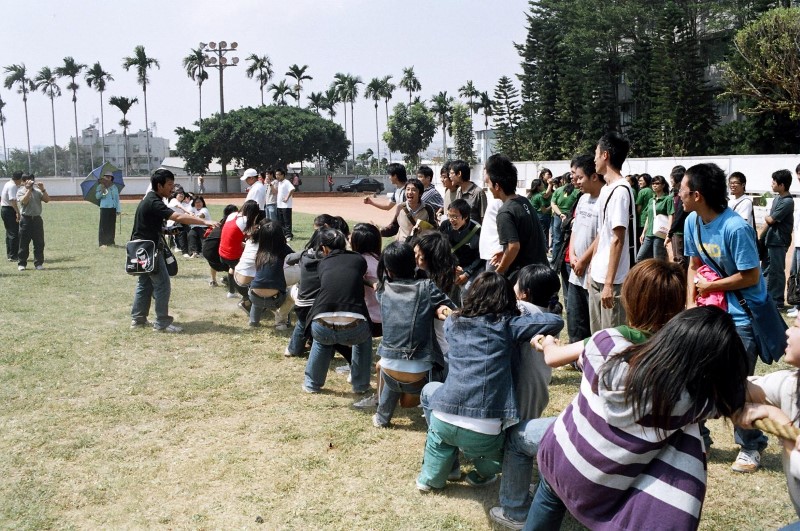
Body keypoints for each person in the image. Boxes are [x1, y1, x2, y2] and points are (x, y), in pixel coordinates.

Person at [489, 258, 685, 529]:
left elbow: (554, 357)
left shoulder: (608, 340)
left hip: (589, 453)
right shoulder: (681, 353)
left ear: (631, 298)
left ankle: (516, 510)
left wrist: (545, 342)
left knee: (521, 440)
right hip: (637, 457)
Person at [525, 305, 748, 531]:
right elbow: (737, 393)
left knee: (536, 468)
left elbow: (558, 356)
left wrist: (548, 343)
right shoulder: (687, 404)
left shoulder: (604, 345)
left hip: (557, 459)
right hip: (597, 493)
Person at [416, 272, 563, 492]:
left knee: (430, 391)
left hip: (443, 417)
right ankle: (484, 472)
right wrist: (518, 312)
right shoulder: (508, 325)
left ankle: (431, 479)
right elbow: (555, 321)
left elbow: (459, 317)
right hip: (485, 429)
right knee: (492, 455)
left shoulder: (453, 322)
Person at [682, 162, 771, 472]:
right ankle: (700, 439)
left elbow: (751, 276)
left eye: (682, 190)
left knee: (737, 384)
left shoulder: (736, 227)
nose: (679, 195)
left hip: (741, 318)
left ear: (697, 195)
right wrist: (691, 303)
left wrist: (711, 286)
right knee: (696, 377)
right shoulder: (692, 221)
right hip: (707, 314)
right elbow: (693, 265)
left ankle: (751, 445)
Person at [488, 264, 564, 529]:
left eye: (516, 284)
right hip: (538, 388)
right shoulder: (550, 314)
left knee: (515, 440)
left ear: (524, 293)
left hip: (522, 388)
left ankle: (514, 502)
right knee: (526, 434)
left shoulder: (522, 310)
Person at [370, 241, 456, 428]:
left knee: (391, 365)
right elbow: (451, 308)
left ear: (388, 269)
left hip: (388, 371)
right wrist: (436, 309)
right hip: (420, 376)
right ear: (414, 263)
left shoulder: (382, 288)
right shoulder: (427, 287)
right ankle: (435, 421)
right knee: (446, 366)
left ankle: (382, 418)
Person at [130, 168, 214, 332]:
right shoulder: (153, 201)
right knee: (162, 284)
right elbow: (178, 216)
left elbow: (148, 225)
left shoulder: (152, 199)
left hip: (142, 248)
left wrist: (167, 231)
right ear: (159, 186)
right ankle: (162, 323)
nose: (173, 188)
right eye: (169, 185)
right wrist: (205, 222)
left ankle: (138, 319)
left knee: (145, 283)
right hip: (149, 249)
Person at [735, 312, 800, 523]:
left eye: (797, 326)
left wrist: (776, 416)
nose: (788, 332)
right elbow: (742, 389)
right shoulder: (791, 385)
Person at [302, 229, 373, 396]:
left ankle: (312, 384)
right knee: (364, 340)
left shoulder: (322, 263)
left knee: (321, 342)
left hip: (322, 323)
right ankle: (360, 385)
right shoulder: (359, 259)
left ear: (324, 249)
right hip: (355, 325)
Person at [587, 132, 636, 333]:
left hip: (613, 281)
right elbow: (603, 233)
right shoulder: (607, 189)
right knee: (597, 337)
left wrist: (608, 283)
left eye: (596, 154)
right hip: (598, 275)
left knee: (612, 339)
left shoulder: (620, 191)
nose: (594, 159)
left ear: (605, 155)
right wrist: (592, 266)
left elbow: (618, 239)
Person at [485, 154, 547, 282]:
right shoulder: (523, 201)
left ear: (497, 186)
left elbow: (514, 247)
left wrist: (499, 272)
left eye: (488, 183)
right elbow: (526, 238)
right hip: (540, 272)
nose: (488, 187)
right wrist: (505, 253)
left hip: (525, 278)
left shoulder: (505, 212)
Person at [566, 155, 603, 343]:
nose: (576, 181)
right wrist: (572, 255)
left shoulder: (604, 200)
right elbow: (575, 230)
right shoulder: (582, 199)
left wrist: (583, 261)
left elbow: (601, 236)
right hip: (575, 271)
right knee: (574, 321)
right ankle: (575, 355)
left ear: (594, 176)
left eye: (580, 177)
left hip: (590, 272)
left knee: (592, 324)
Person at [247, 221, 295, 328]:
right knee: (290, 292)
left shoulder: (260, 251)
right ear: (280, 235)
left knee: (257, 291)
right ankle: (282, 322)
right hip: (275, 300)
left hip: (254, 297)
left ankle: (253, 321)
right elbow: (295, 257)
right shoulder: (283, 249)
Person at [761, 169, 794, 309]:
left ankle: (777, 302)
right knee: (766, 270)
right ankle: (767, 299)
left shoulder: (787, 202)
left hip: (779, 241)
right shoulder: (777, 199)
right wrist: (761, 237)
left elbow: (771, 220)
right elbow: (769, 221)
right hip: (770, 240)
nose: (771, 184)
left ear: (782, 185)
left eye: (774, 182)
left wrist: (767, 217)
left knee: (777, 271)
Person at [219, 200, 262, 300]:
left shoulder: (233, 214)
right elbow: (252, 238)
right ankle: (246, 297)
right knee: (250, 268)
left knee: (233, 268)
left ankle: (231, 292)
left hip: (222, 252)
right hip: (232, 254)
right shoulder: (246, 221)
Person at [439, 198, 484, 292]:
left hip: (470, 268)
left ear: (466, 216)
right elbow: (440, 249)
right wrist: (451, 266)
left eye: (455, 217)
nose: (451, 220)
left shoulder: (477, 230)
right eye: (449, 216)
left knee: (466, 291)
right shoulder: (445, 226)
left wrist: (467, 273)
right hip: (451, 266)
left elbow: (481, 257)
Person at [16, 174, 49, 271]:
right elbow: (24, 201)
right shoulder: (20, 191)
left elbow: (47, 200)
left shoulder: (38, 192)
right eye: (28, 180)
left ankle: (38, 263)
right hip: (26, 219)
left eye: (32, 180)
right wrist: (28, 189)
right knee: (23, 243)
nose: (31, 182)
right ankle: (22, 263)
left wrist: (43, 189)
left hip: (37, 219)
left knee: (39, 243)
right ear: (23, 182)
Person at [636, 174, 673, 262]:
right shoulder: (651, 200)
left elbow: (671, 216)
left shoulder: (667, 199)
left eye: (657, 183)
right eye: (653, 183)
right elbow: (648, 217)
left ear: (663, 185)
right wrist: (643, 233)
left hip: (660, 233)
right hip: (649, 233)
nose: (654, 185)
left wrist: (669, 233)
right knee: (640, 257)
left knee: (658, 259)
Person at [202, 204, 238, 287]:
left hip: (206, 250)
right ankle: (230, 280)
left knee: (213, 255)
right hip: (216, 252)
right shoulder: (232, 224)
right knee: (235, 261)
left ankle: (213, 280)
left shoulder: (220, 222)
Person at [665, 165, 689, 271]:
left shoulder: (681, 193)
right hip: (679, 230)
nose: (670, 180)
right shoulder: (676, 193)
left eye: (671, 177)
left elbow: (679, 214)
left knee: (679, 259)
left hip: (679, 231)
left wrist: (670, 233)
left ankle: (681, 280)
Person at [451, 159, 487, 224]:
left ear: (459, 174)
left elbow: (484, 219)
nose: (450, 176)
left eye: (451, 173)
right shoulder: (459, 190)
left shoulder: (478, 192)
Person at [95, 170, 121, 248]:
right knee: (103, 226)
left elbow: (117, 199)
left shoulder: (114, 187)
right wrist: (102, 191)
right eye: (106, 176)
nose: (107, 178)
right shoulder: (100, 186)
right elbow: (97, 196)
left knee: (111, 226)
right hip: (104, 208)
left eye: (109, 177)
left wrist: (118, 209)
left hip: (113, 208)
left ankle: (110, 241)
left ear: (111, 178)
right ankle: (102, 242)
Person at [2, 171, 22, 262]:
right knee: (14, 233)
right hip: (9, 210)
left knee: (9, 233)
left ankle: (10, 254)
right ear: (19, 179)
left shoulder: (8, 183)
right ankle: (14, 255)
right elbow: (13, 201)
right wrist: (17, 212)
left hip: (4, 209)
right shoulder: (12, 186)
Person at [275, 168, 295, 241]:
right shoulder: (279, 183)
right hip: (279, 205)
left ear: (283, 175)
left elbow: (292, 189)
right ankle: (284, 234)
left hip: (286, 206)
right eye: (276, 175)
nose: (277, 176)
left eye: (278, 175)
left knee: (287, 221)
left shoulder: (286, 182)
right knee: (281, 222)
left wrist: (287, 197)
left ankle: (289, 235)